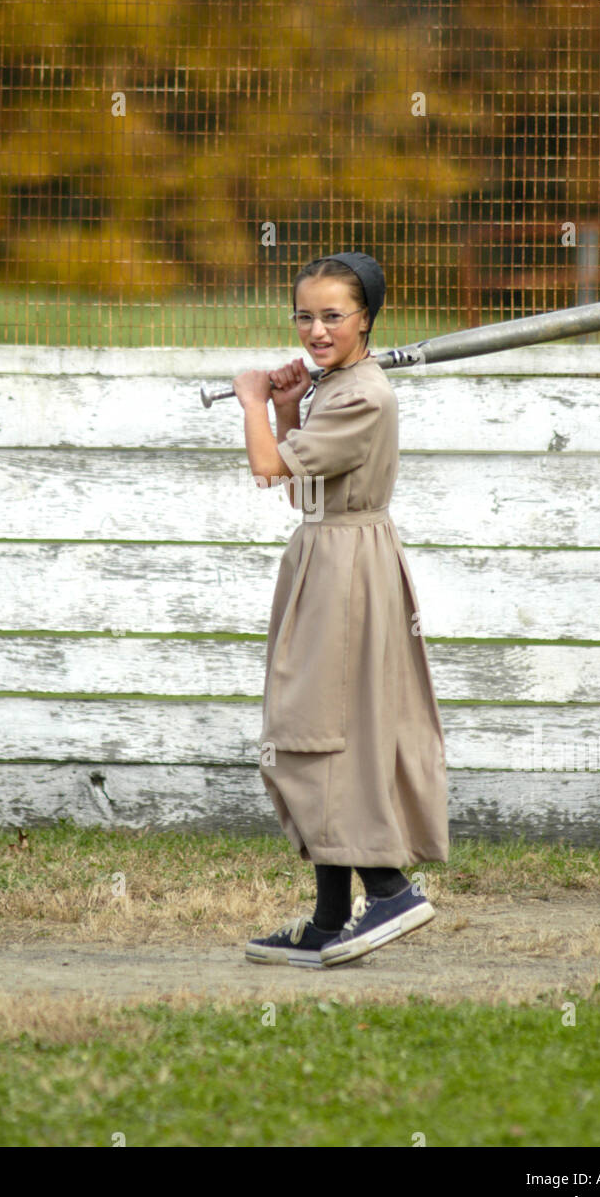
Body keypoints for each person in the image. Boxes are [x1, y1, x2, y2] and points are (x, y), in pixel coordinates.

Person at [232, 251, 449, 969]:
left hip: (348, 573)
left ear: (366, 320)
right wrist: (291, 405)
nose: (316, 330)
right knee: (319, 728)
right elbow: (302, 492)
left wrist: (252, 403)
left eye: (333, 316)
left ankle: (389, 890)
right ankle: (330, 916)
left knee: (322, 730)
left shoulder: (364, 396)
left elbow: (267, 471)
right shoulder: (335, 389)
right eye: (305, 315)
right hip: (325, 557)